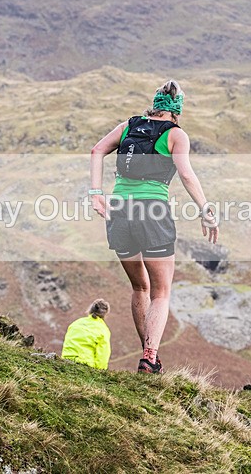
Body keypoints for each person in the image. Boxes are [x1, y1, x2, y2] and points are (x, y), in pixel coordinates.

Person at [90, 80, 218, 374]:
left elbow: (97, 150)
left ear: (155, 105)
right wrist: (205, 208)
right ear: (177, 111)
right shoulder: (176, 135)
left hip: (119, 210)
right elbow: (186, 174)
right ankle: (150, 356)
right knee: (160, 292)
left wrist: (95, 194)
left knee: (139, 287)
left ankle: (148, 354)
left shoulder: (129, 125)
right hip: (152, 212)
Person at [61, 299, 112, 370]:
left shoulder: (76, 323)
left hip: (64, 361)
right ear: (105, 313)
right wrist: (100, 372)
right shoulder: (103, 329)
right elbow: (103, 354)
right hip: (85, 365)